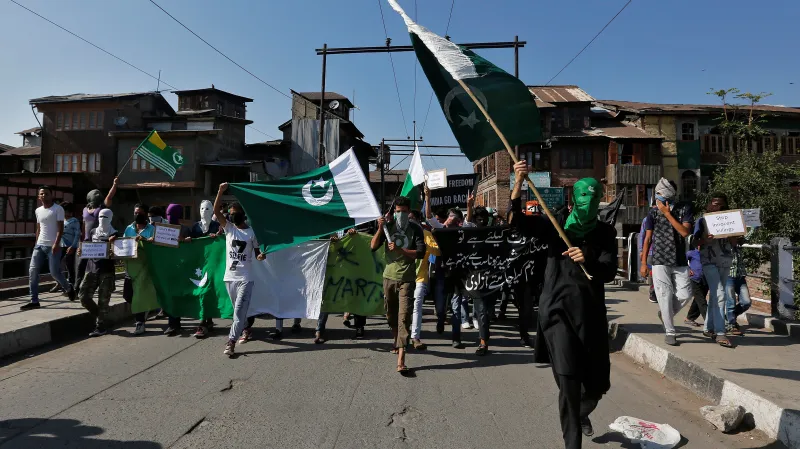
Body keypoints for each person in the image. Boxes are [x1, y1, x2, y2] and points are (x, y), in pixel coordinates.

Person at [511, 161, 617, 449]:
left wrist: (588, 258)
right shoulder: (554, 226)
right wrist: (518, 182)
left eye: (593, 199)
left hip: (590, 316)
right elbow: (517, 222)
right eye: (583, 197)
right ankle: (573, 443)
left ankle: (582, 411)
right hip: (557, 314)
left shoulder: (605, 233)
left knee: (597, 386)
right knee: (568, 381)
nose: (588, 204)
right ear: (573, 199)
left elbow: (609, 270)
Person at [370, 196, 425, 374]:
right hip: (389, 277)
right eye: (398, 211)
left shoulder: (416, 229)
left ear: (409, 212)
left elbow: (420, 253)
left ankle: (401, 358)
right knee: (391, 315)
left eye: (404, 212)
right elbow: (373, 246)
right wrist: (380, 228)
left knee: (404, 316)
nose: (401, 214)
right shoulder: (388, 227)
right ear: (394, 212)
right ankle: (396, 339)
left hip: (407, 279)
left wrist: (401, 250)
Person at [639, 178, 694, 346]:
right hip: (659, 259)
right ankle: (670, 331)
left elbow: (685, 232)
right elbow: (648, 239)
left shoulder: (685, 208)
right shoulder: (653, 213)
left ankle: (665, 314)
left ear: (669, 194)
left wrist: (668, 213)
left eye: (660, 193)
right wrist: (644, 263)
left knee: (685, 294)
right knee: (664, 295)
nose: (657, 196)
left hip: (679, 259)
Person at [214, 183, 265, 357]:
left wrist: (261, 256)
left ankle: (231, 342)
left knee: (238, 312)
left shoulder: (251, 233)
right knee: (238, 311)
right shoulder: (229, 228)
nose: (231, 215)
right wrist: (220, 191)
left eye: (234, 213)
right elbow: (216, 211)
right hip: (229, 278)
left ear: (242, 214)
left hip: (245, 279)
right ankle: (246, 328)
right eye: (230, 213)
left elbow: (258, 254)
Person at [21, 186, 76, 310]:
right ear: (38, 196)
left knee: (54, 272)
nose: (44, 195)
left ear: (51, 195)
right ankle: (34, 300)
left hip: (53, 245)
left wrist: (56, 244)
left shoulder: (58, 209)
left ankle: (68, 288)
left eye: (46, 193)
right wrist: (36, 243)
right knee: (32, 271)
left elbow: (60, 229)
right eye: (42, 194)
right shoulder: (38, 210)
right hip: (39, 245)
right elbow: (38, 228)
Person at [694, 194, 735, 348]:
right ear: (709, 205)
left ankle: (708, 328)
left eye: (721, 205)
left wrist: (732, 234)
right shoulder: (702, 220)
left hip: (725, 260)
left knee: (715, 296)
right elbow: (693, 241)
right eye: (715, 204)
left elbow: (735, 243)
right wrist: (705, 240)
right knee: (719, 294)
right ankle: (720, 332)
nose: (718, 207)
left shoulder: (731, 219)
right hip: (708, 260)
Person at [79, 209, 120, 337]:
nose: (102, 219)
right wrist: (81, 251)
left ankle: (100, 326)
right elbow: (86, 245)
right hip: (91, 268)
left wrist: (113, 246)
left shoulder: (115, 234)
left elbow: (120, 253)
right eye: (100, 217)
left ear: (111, 218)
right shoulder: (93, 232)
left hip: (106, 271)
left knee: (103, 300)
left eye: (105, 217)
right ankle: (101, 316)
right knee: (83, 296)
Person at [75, 179, 118, 292]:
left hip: (100, 239)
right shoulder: (85, 209)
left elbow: (109, 197)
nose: (96, 195)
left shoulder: (102, 207)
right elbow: (84, 225)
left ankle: (109, 283)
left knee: (104, 263)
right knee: (81, 264)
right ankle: (77, 286)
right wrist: (81, 240)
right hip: (87, 240)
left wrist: (114, 185)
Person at [188, 200, 221, 338]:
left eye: (207, 209)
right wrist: (188, 240)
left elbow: (223, 241)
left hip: (213, 264)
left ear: (212, 210)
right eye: (202, 208)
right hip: (199, 265)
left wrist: (217, 237)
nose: (204, 211)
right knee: (202, 291)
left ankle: (208, 319)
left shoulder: (217, 226)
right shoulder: (195, 227)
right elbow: (191, 244)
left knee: (209, 291)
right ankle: (203, 321)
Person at [408, 209, 440, 351]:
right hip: (403, 276)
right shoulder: (402, 234)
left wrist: (426, 243)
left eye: (411, 218)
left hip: (420, 276)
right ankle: (401, 336)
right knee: (403, 308)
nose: (408, 220)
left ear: (417, 220)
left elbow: (437, 251)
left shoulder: (425, 234)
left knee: (417, 306)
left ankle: (415, 337)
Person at [122, 204, 156, 335]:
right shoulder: (129, 228)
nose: (137, 215)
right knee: (127, 295)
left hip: (144, 268)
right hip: (131, 267)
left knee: (139, 295)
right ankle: (143, 310)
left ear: (146, 214)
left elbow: (156, 246)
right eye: (135, 212)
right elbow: (123, 244)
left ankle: (140, 322)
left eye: (140, 213)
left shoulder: (152, 229)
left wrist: (148, 240)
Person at [163, 204, 193, 336]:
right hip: (167, 267)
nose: (170, 217)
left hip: (181, 267)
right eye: (168, 214)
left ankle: (177, 322)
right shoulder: (162, 229)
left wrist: (186, 241)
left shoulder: (185, 230)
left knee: (179, 297)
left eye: (173, 214)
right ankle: (173, 324)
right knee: (170, 297)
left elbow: (192, 247)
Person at [52, 201, 81, 296]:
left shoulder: (74, 221)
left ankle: (71, 287)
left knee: (69, 267)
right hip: (60, 246)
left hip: (70, 247)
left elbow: (77, 234)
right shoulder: (60, 221)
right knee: (55, 265)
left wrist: (73, 246)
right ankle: (59, 283)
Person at [725, 238, 751, 336]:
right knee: (730, 302)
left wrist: (754, 228)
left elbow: (748, 237)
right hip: (728, 276)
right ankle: (731, 325)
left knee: (746, 302)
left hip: (740, 276)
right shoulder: (724, 245)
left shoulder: (739, 244)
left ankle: (730, 316)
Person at [684, 247, 708, 328]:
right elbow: (682, 261)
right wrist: (688, 269)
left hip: (705, 280)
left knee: (698, 300)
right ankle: (709, 322)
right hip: (694, 280)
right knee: (702, 302)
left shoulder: (709, 254)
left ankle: (689, 318)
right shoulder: (691, 253)